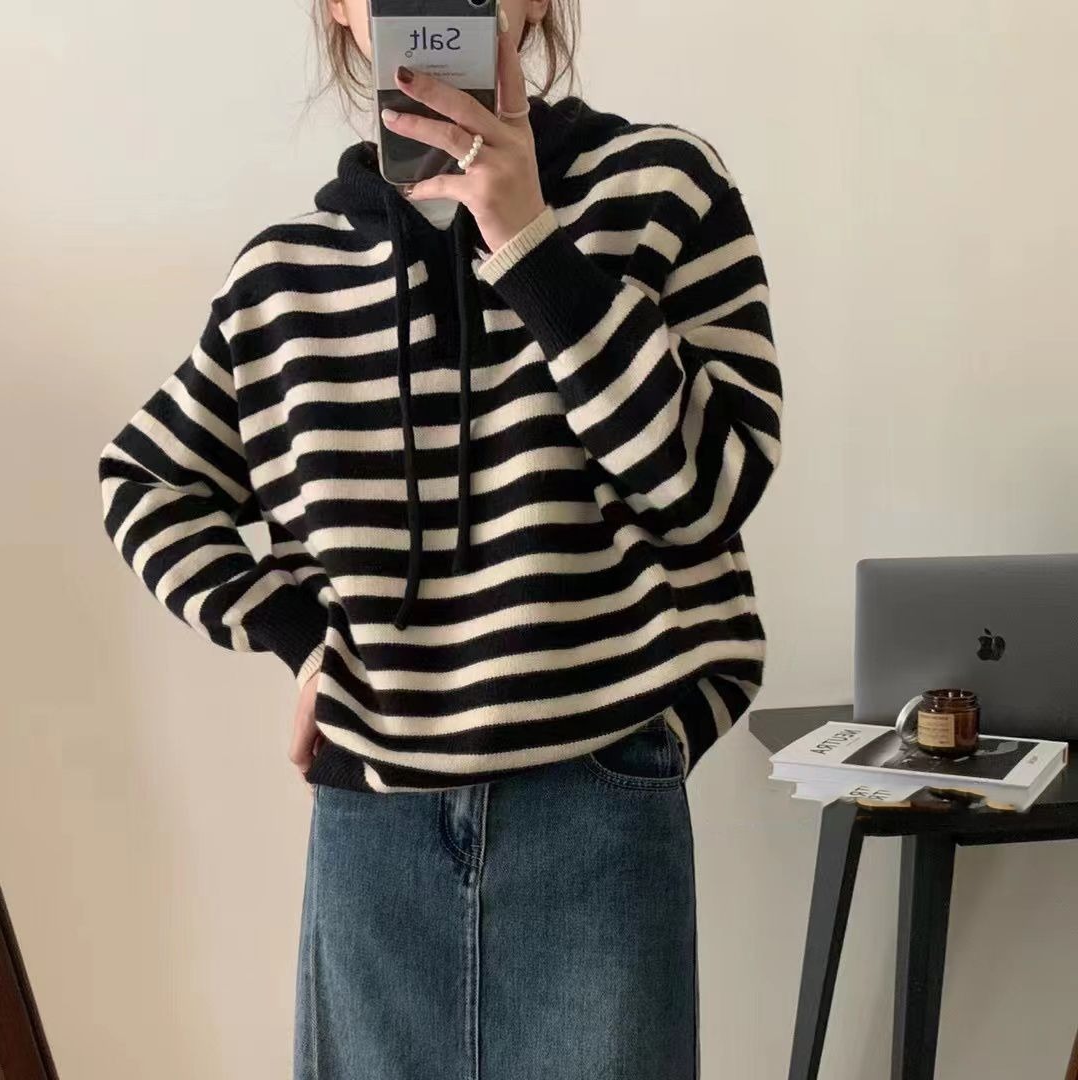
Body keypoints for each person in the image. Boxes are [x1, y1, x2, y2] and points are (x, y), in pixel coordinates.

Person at [96, 0, 782, 1075]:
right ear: (340, 11)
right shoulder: (285, 277)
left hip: (599, 795)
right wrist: (300, 640)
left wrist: (533, 245)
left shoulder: (662, 191)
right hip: (375, 832)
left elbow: (713, 491)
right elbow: (147, 481)